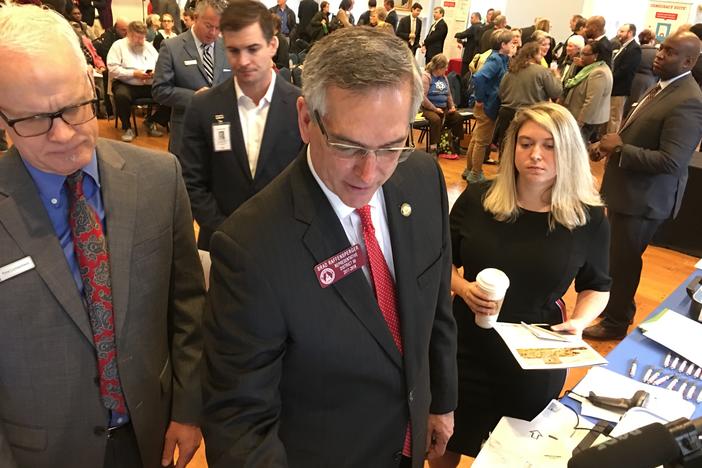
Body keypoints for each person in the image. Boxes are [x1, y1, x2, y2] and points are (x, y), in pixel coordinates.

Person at [202, 26, 458, 467]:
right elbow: (240, 422)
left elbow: (435, 306)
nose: (370, 171)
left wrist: (440, 400)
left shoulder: (422, 178)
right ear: (306, 119)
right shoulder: (249, 247)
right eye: (347, 145)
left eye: (392, 146)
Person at [0, 4, 206, 468]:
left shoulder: (158, 177)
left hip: (150, 432)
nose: (63, 134)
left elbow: (187, 304)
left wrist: (188, 408)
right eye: (33, 119)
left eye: (75, 106)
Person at [431, 102, 610, 467]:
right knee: (445, 440)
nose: (535, 155)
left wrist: (579, 321)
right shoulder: (479, 199)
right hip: (463, 347)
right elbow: (439, 263)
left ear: (569, 152)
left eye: (549, 145)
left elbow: (597, 286)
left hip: (533, 358)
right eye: (525, 143)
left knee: (512, 455)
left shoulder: (587, 217)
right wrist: (463, 289)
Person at [584, 32, 702, 340]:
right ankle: (617, 310)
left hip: (644, 198)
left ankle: (616, 321)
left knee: (623, 262)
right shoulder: (660, 87)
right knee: (617, 257)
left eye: (670, 52)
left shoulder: (688, 100)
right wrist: (607, 146)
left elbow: (671, 161)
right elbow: (634, 132)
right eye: (662, 48)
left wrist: (620, 149)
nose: (660, 55)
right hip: (628, 192)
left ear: (688, 61)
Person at [180, 0, 303, 251]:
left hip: (287, 243)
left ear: (272, 46)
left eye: (253, 48)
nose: (243, 60)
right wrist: (226, 232)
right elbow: (191, 182)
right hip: (220, 241)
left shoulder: (301, 106)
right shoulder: (203, 107)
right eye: (234, 50)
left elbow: (311, 181)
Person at [152, 0, 232, 159]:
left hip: (221, 134)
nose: (214, 33)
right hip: (187, 133)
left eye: (219, 28)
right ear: (196, 18)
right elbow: (159, 90)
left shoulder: (227, 46)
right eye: (209, 26)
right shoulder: (171, 47)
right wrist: (195, 98)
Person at [463, 28, 512, 183]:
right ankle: (476, 173)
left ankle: (469, 169)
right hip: (488, 105)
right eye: (511, 43)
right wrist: (480, 98)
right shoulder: (496, 60)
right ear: (503, 44)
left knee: (477, 138)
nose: (512, 45)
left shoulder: (501, 58)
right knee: (482, 141)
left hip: (489, 104)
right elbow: (479, 78)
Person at [107, 20, 169, 142]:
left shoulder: (148, 47)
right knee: (121, 96)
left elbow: (161, 64)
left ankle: (151, 121)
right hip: (126, 83)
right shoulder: (118, 46)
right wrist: (134, 74)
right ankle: (127, 127)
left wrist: (155, 72)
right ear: (129, 34)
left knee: (170, 94)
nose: (140, 41)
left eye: (143, 37)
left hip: (149, 83)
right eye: (137, 37)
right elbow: (112, 69)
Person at [495, 42, 562, 151]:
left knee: (506, 148)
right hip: (530, 114)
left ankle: (504, 168)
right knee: (525, 148)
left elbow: (501, 92)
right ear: (534, 54)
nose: (542, 56)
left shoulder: (511, 70)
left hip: (507, 113)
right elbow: (556, 92)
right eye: (540, 53)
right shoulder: (543, 71)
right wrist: (557, 76)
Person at [562, 41, 613, 143]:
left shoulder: (599, 73)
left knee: (579, 145)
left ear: (595, 56)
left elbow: (591, 101)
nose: (581, 56)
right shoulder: (590, 68)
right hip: (581, 116)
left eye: (585, 54)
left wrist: (580, 122)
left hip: (587, 120)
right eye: (581, 53)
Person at [421, 54, 464, 159]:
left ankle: (454, 144)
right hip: (429, 108)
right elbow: (423, 98)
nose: (446, 70)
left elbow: (448, 94)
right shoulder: (427, 77)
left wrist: (452, 106)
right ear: (438, 68)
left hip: (443, 108)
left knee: (457, 117)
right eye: (444, 67)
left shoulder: (444, 77)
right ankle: (433, 148)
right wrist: (434, 109)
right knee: (435, 119)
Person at [608, 23, 642, 133]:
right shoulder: (622, 47)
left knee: (614, 117)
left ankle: (610, 141)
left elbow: (625, 70)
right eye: (619, 31)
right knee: (609, 116)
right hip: (613, 87)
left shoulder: (634, 49)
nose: (619, 34)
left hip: (620, 89)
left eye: (622, 31)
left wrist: (610, 78)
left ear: (630, 33)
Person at [625, 28, 657, 116]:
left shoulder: (634, 50)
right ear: (652, 40)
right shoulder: (656, 53)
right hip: (648, 82)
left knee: (628, 106)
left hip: (633, 79)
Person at [455, 11, 483, 77]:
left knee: (464, 75)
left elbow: (462, 34)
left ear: (477, 18)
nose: (470, 20)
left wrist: (456, 35)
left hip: (468, 56)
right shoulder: (483, 27)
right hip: (476, 56)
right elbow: (473, 42)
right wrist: (463, 43)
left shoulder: (474, 27)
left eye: (472, 18)